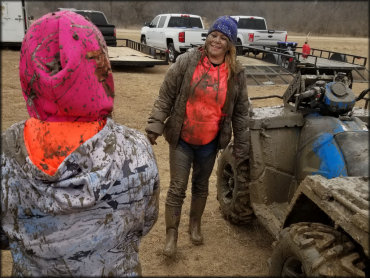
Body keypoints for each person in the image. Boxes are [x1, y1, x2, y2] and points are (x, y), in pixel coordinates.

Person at [1, 11, 159, 276]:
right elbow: (144, 222)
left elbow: (4, 238)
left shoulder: (6, 152)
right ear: (101, 65)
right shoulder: (137, 149)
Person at [145, 15, 250, 257]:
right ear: (208, 36)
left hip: (210, 141)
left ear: (230, 44)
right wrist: (155, 126)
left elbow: (242, 112)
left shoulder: (236, 73)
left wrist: (242, 146)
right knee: (177, 188)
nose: (216, 41)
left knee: (201, 186)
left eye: (223, 38)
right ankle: (172, 235)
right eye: (213, 35)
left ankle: (195, 225)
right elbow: (166, 95)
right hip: (182, 137)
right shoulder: (187, 61)